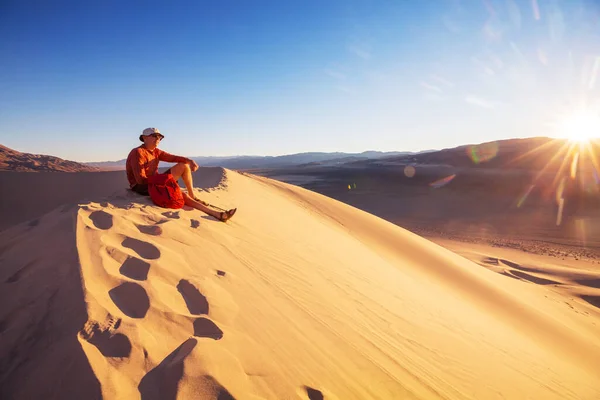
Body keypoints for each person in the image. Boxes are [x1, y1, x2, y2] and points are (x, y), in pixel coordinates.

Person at [126, 127, 236, 222]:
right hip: (141, 187)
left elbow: (173, 158)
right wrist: (165, 180)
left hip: (154, 181)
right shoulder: (138, 152)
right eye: (154, 136)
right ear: (144, 138)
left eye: (160, 137)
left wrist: (190, 161)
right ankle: (217, 214)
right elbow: (140, 180)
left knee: (183, 166)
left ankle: (193, 196)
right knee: (179, 193)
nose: (158, 139)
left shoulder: (156, 151)